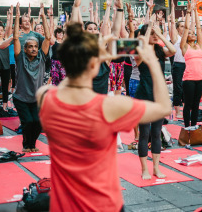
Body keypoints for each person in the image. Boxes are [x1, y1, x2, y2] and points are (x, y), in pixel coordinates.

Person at [36, 23, 171, 212]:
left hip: (63, 205)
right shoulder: (109, 107)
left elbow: (69, 74)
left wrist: (91, 55)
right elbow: (164, 107)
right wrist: (153, 62)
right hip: (104, 205)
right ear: (94, 64)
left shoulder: (46, 96)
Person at [135, 18, 176, 180]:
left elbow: (172, 50)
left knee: (156, 132)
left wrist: (160, 34)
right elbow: (140, 46)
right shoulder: (140, 53)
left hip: (159, 96)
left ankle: (156, 168)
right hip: (144, 95)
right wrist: (149, 28)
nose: (154, 36)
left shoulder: (160, 51)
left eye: (155, 34)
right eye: (151, 34)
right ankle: (144, 168)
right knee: (144, 133)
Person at [13, 2, 51, 152]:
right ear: (25, 49)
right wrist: (17, 16)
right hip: (21, 98)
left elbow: (48, 37)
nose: (34, 49)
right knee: (28, 121)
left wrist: (43, 16)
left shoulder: (41, 57)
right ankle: (26, 143)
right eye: (30, 46)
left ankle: (32, 144)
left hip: (36, 98)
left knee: (38, 123)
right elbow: (16, 38)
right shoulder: (20, 58)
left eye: (36, 46)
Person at [180, 0, 202, 127]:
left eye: (193, 33)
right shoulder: (184, 47)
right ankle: (187, 127)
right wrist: (189, 12)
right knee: (188, 105)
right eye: (190, 33)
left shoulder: (199, 45)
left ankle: (194, 127)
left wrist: (196, 12)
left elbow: (199, 28)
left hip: (200, 78)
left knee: (196, 105)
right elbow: (185, 28)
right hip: (189, 79)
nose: (192, 34)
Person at [169, 0, 186, 119]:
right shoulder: (176, 38)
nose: (183, 28)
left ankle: (185, 110)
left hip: (187, 65)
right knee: (178, 88)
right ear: (177, 28)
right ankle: (177, 111)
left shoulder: (188, 37)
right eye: (181, 26)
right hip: (178, 65)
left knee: (186, 88)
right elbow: (172, 25)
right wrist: (173, 9)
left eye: (185, 26)